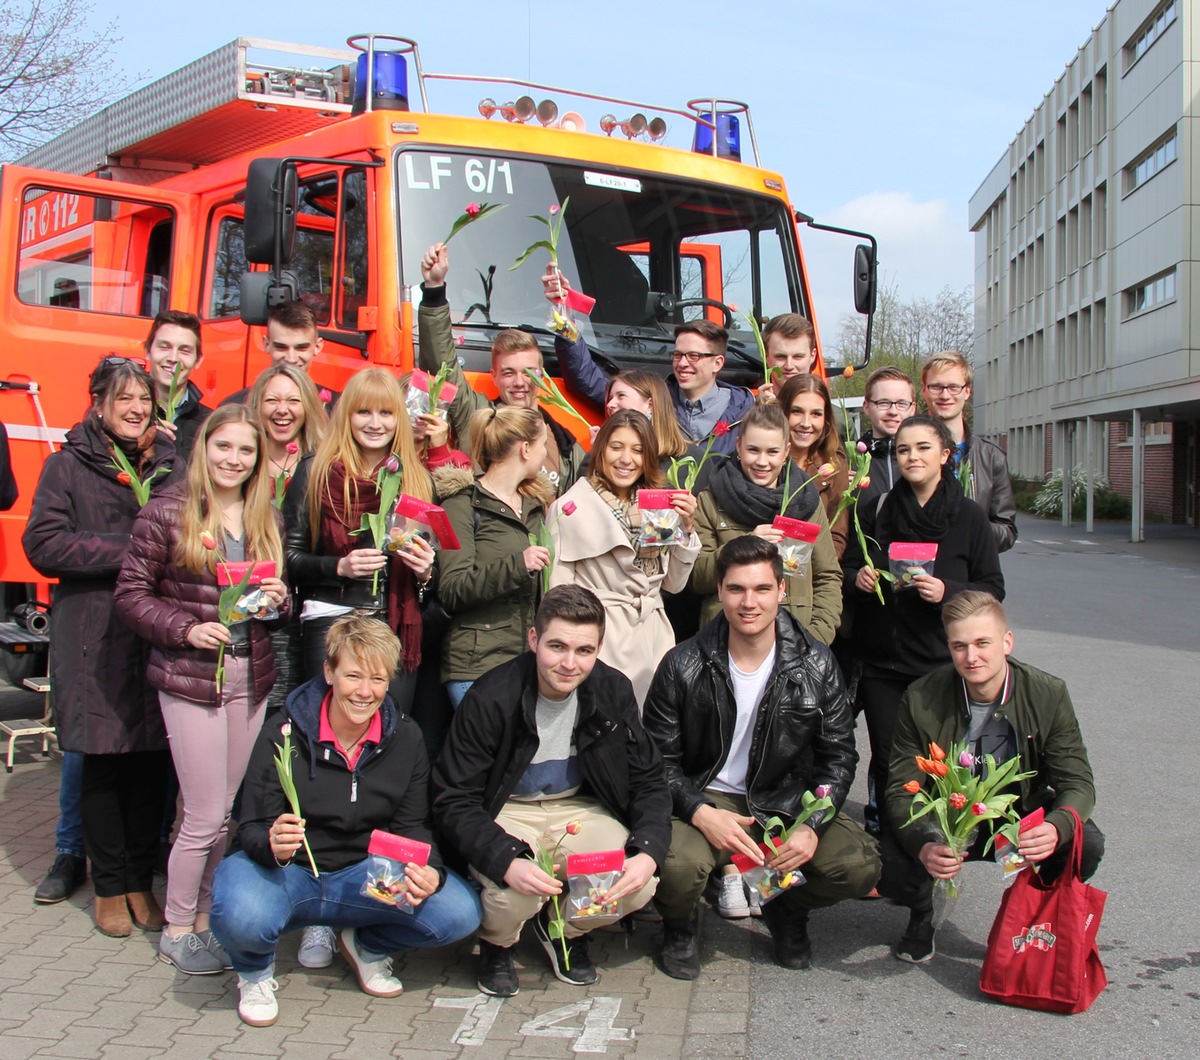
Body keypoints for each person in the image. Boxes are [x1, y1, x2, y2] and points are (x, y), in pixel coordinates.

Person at [210, 616, 481, 1027]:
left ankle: (366, 945)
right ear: (329, 672)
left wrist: (431, 870)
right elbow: (249, 826)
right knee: (241, 912)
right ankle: (254, 972)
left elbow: (414, 827)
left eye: (377, 678)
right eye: (353, 675)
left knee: (459, 912)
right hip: (290, 873)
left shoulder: (405, 738)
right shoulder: (283, 732)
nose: (365, 691)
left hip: (364, 875)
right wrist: (272, 842)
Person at [644, 536, 879, 978]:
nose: (748, 602)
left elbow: (839, 758)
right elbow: (658, 760)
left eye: (761, 589)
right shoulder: (682, 663)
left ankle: (783, 906)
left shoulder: (817, 662)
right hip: (704, 795)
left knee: (857, 865)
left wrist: (812, 826)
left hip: (782, 799)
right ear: (720, 591)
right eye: (736, 589)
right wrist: (698, 811)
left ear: (782, 591)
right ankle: (680, 924)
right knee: (677, 865)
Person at [115, 405, 289, 974]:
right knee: (206, 814)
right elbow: (131, 596)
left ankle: (206, 917)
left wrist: (278, 603)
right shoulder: (167, 511)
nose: (233, 460)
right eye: (224, 447)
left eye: (246, 451)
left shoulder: (266, 516)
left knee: (217, 811)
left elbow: (265, 602)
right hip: (193, 677)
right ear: (204, 448)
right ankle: (177, 925)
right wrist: (187, 629)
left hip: (250, 673)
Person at [431, 585, 671, 996]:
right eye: (556, 646)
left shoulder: (613, 690)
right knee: (515, 892)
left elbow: (648, 778)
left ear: (598, 648)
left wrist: (648, 849)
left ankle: (564, 928)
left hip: (577, 807)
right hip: (507, 808)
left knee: (638, 883)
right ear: (533, 640)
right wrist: (506, 859)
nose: (568, 663)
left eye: (583, 651)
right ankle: (498, 944)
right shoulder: (491, 697)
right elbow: (453, 797)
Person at [23, 357, 174, 937]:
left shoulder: (168, 463)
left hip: (153, 633)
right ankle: (108, 883)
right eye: (124, 399)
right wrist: (130, 550)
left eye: (144, 399)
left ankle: (140, 879)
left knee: (150, 764)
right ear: (99, 404)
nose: (136, 409)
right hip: (94, 635)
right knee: (105, 762)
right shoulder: (67, 467)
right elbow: (45, 543)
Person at [879, 590, 1104, 963]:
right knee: (889, 857)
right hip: (950, 819)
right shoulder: (921, 697)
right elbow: (901, 789)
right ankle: (923, 915)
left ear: (1007, 641)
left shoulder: (1048, 694)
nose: (972, 657)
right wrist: (924, 844)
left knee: (1086, 842)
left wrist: (1057, 827)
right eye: (959, 646)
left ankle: (1033, 916)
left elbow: (1077, 782)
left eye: (983, 643)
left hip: (1018, 815)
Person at [849, 415, 1004, 840]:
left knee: (939, 762)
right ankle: (889, 844)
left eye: (922, 448)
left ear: (945, 455)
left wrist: (949, 590)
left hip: (941, 664)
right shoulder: (876, 509)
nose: (911, 457)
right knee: (888, 759)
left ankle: (937, 843)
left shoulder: (970, 517)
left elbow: (993, 588)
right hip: (883, 666)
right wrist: (859, 580)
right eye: (903, 450)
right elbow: (845, 568)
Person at [282, 367, 436, 717]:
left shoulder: (418, 479)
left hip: (394, 625)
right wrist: (339, 567)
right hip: (330, 618)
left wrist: (426, 572)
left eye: (386, 413)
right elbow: (289, 560)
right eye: (363, 411)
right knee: (325, 731)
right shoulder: (315, 471)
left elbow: (433, 576)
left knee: (388, 736)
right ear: (346, 416)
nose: (375, 423)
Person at [546, 410, 700, 706]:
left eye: (638, 450)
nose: (626, 459)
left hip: (654, 637)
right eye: (616, 447)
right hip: (602, 637)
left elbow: (674, 585)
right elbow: (558, 595)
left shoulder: (659, 505)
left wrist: (687, 528)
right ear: (600, 449)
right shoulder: (570, 508)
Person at [418, 245, 585, 495]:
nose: (520, 382)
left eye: (528, 372)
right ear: (494, 376)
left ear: (542, 376)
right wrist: (434, 290)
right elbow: (442, 364)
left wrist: (565, 312)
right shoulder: (476, 417)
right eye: (509, 373)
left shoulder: (566, 444)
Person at [542, 266, 753, 456]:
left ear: (718, 363)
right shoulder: (650, 397)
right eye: (678, 354)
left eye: (694, 356)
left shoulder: (746, 410)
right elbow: (586, 379)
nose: (682, 363)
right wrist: (565, 316)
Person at [433, 406, 556, 708]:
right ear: (526, 449)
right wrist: (517, 565)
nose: (545, 455)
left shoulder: (533, 507)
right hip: (477, 666)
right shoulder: (461, 504)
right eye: (543, 445)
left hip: (525, 662)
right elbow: (452, 588)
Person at [691, 403, 842, 645]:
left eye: (772, 452)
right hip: (726, 642)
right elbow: (697, 578)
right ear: (738, 446)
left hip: (796, 641)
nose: (762, 462)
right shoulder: (710, 500)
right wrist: (745, 544)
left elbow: (827, 576)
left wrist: (816, 637)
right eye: (753, 450)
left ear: (786, 452)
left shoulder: (806, 502)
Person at [247, 364, 328, 712]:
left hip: (307, 609)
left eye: (293, 400)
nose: (282, 409)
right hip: (253, 607)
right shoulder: (242, 463)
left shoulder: (323, 465)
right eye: (272, 400)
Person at [921, 350, 1017, 553]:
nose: (945, 395)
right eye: (937, 387)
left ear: (967, 392)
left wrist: (968, 528)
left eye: (954, 387)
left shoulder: (990, 458)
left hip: (969, 576)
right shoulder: (904, 452)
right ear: (924, 390)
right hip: (916, 571)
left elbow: (1006, 530)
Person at [776, 374, 849, 558]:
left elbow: (837, 536)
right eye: (797, 412)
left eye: (816, 414)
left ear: (825, 420)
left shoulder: (834, 466)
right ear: (782, 412)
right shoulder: (764, 462)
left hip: (811, 575)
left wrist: (806, 565)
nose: (806, 424)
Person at [222, 302, 339, 409]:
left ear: (317, 347)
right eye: (281, 347)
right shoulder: (234, 408)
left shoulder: (338, 409)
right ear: (266, 345)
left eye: (301, 348)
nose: (291, 359)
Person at [142, 310, 213, 464]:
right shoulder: (126, 415)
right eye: (164, 347)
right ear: (148, 351)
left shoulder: (210, 423)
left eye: (184, 350)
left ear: (198, 360)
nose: (173, 359)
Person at [397, 371, 472, 472]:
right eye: (412, 406)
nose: (422, 416)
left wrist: (439, 453)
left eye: (431, 407)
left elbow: (448, 486)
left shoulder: (459, 462)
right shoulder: (381, 454)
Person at [761, 314, 819, 397]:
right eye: (781, 357)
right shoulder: (747, 408)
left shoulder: (827, 409)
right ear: (766, 357)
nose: (789, 366)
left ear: (812, 356)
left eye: (798, 356)